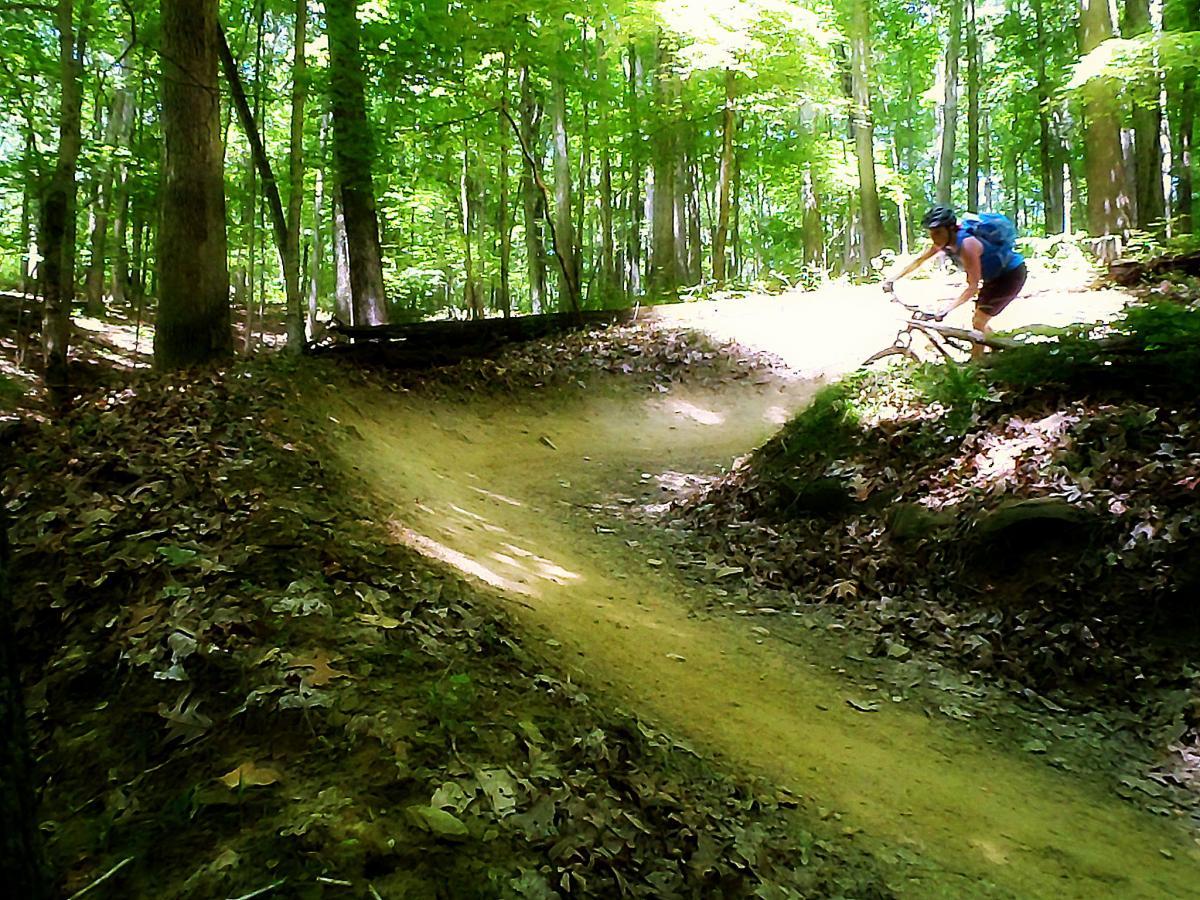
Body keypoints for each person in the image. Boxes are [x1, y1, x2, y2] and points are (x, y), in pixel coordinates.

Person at [883, 205, 1027, 359]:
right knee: (980, 321)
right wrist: (893, 278)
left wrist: (946, 310)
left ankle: (976, 365)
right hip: (993, 277)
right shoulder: (943, 243)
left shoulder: (968, 245)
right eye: (931, 233)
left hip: (1010, 275)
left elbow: (972, 287)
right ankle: (999, 352)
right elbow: (919, 261)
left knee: (978, 321)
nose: (934, 237)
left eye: (938, 232)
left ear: (951, 229)